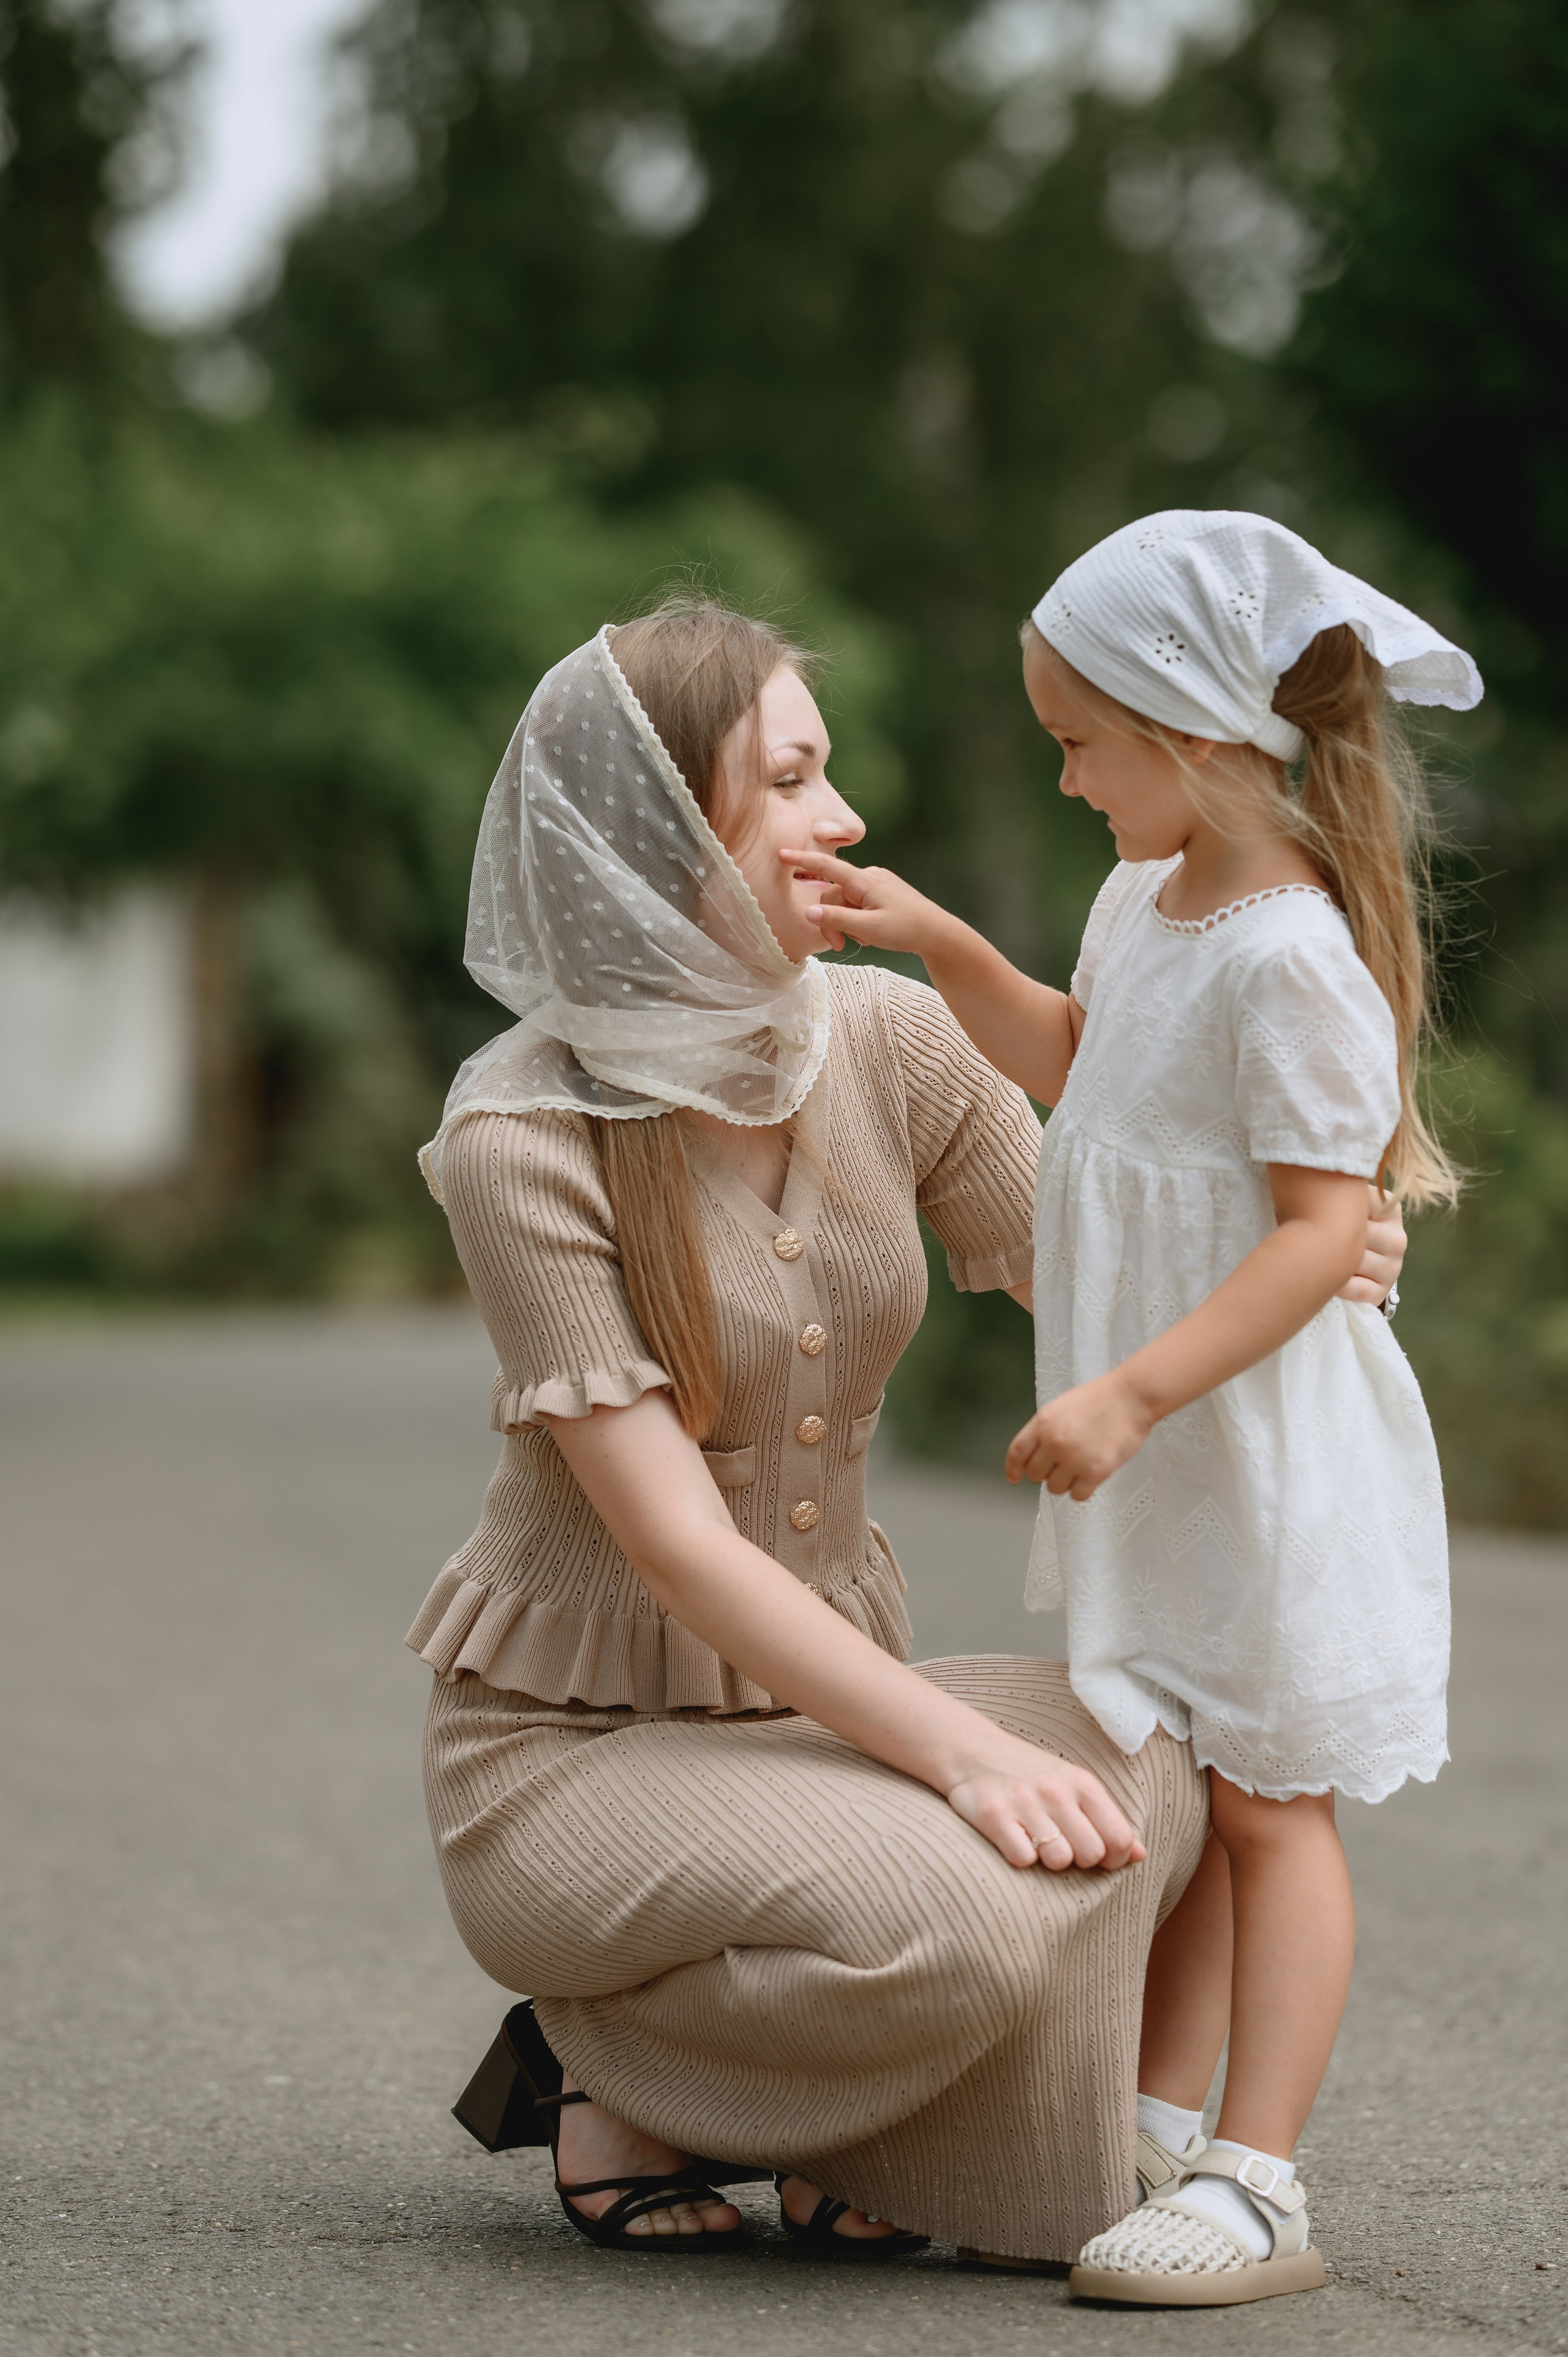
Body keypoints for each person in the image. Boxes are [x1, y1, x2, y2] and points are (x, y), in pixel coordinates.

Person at [410, 590, 1406, 2266]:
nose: (845, 819)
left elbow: (1120, 1277)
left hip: (816, 1737)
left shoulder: (889, 1033)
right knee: (971, 1914)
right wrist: (962, 1755)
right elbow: (671, 1541)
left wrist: (1313, 1245)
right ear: (665, 826)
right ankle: (614, 2053)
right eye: (791, 782)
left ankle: (823, 2101)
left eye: (832, 775)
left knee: (1199, 1738)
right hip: (572, 1765)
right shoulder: (523, 1128)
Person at [788, 510, 1472, 2302]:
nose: (1072, 780)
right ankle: (1152, 2125)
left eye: (1082, 744)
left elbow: (1324, 1234)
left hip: (1258, 1449)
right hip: (1176, 1448)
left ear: (1189, 732)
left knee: (1270, 1807)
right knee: (1194, 1778)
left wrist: (1130, 1395)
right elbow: (1087, 1069)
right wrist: (940, 940)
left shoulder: (1293, 955)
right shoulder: (1147, 904)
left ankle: (1258, 2182)